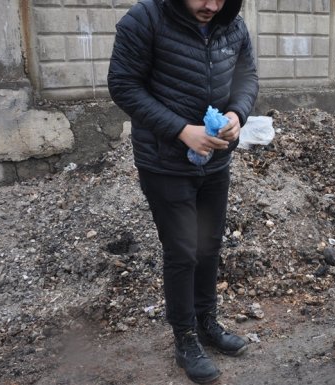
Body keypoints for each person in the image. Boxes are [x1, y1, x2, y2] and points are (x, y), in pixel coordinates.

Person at [107, 0, 258, 383]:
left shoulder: (232, 25)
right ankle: (185, 337)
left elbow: (246, 77)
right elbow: (123, 85)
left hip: (216, 160)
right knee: (183, 250)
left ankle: (207, 322)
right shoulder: (145, 19)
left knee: (208, 245)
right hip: (164, 163)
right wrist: (181, 129)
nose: (211, 5)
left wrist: (237, 114)